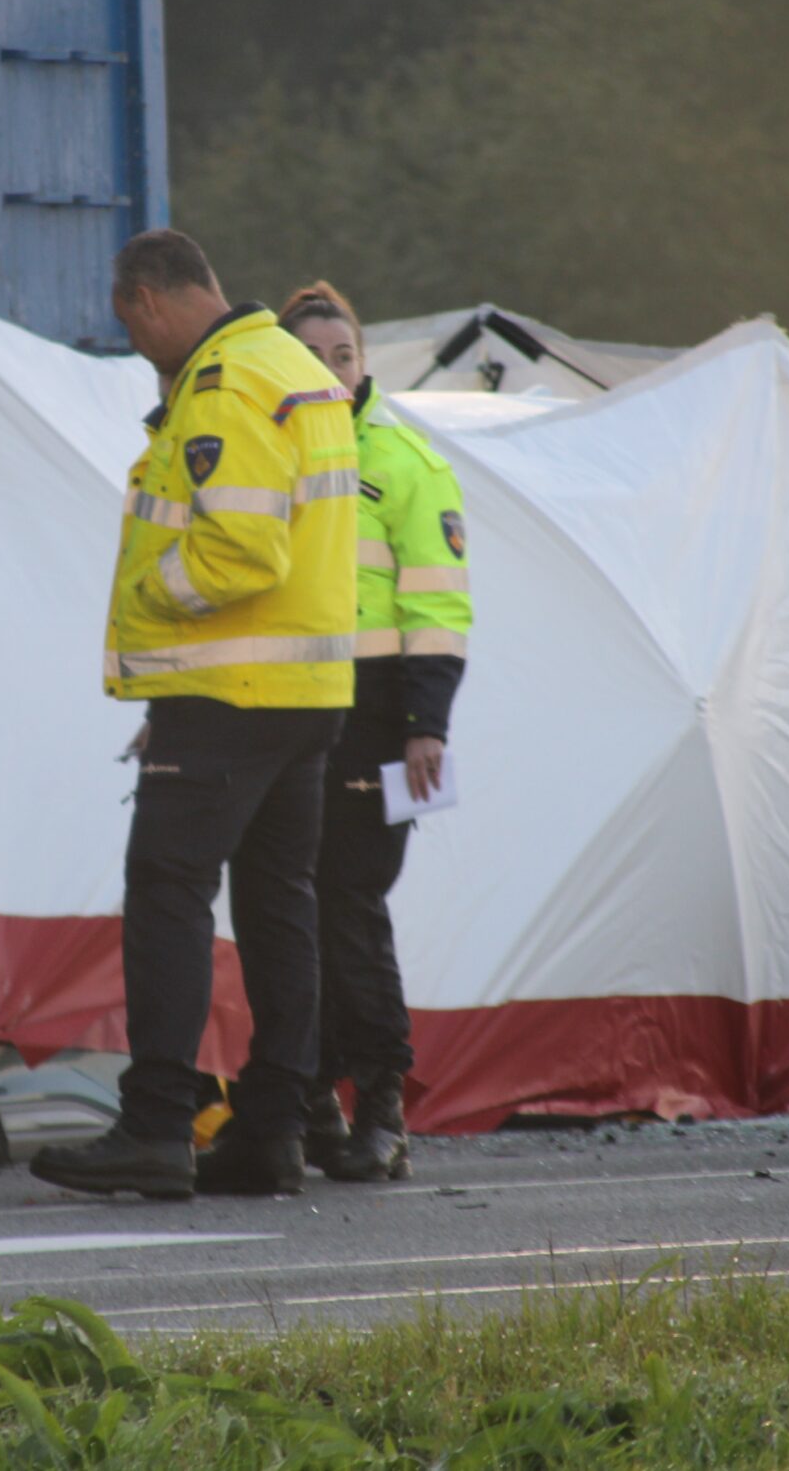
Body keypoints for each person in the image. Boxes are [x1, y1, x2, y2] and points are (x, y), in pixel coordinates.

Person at [29, 230, 361, 1199]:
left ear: (146, 299)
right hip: (305, 692)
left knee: (167, 899)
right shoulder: (296, 370)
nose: (133, 341)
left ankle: (156, 1126)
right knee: (277, 912)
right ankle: (273, 1129)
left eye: (128, 322)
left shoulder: (224, 389)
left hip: (226, 692)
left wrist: (148, 597)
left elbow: (239, 554)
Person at [277, 282, 472, 1182]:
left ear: (364, 363)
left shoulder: (404, 460)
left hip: (374, 716)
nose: (329, 370)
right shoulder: (261, 453)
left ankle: (382, 1109)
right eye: (311, 356)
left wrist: (425, 726)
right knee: (286, 911)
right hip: (277, 712)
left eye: (342, 355)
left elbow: (438, 606)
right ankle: (311, 1101)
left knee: (350, 907)